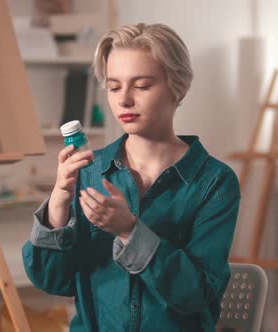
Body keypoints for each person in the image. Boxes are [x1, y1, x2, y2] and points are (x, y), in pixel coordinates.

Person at [22, 23, 241, 332]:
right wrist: (58, 200)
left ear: (177, 86)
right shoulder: (88, 170)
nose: (123, 100)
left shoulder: (215, 182)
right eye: (114, 87)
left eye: (141, 86)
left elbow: (198, 294)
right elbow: (53, 281)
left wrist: (129, 231)